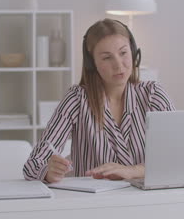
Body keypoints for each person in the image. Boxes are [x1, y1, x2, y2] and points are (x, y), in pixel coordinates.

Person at [23, 18, 175, 183]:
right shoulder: (77, 99)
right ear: (92, 64)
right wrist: (47, 171)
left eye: (123, 53)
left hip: (146, 202)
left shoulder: (153, 95)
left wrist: (133, 171)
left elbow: (180, 156)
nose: (118, 65)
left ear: (133, 52)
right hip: (92, 204)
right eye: (106, 58)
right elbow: (32, 165)